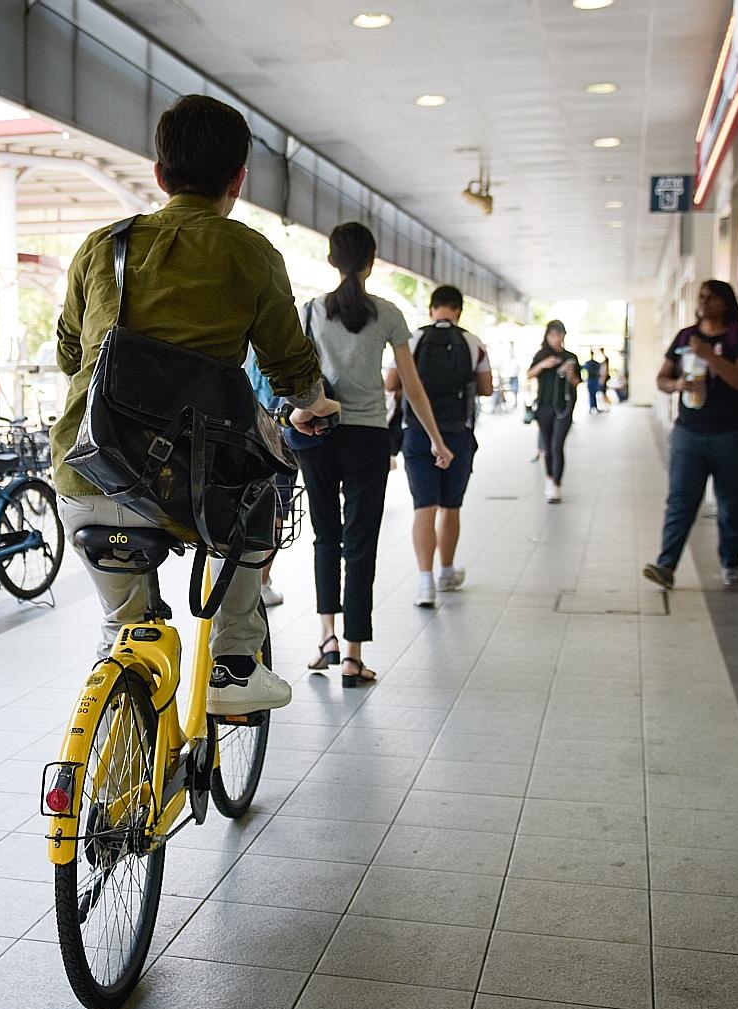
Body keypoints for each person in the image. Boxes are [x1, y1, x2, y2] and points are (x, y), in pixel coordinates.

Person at [51, 94, 340, 717]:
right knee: (260, 492)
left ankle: (116, 716)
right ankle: (235, 660)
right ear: (239, 179)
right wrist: (313, 404)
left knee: (124, 628)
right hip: (195, 482)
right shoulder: (250, 252)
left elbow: (71, 352)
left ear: (160, 174)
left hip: (88, 468)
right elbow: (288, 365)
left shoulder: (105, 247)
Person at [299, 223, 453, 685]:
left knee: (325, 536)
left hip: (317, 434)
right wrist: (437, 440)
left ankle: (325, 637)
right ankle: (352, 655)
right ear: (371, 262)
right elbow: (411, 385)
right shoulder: (387, 313)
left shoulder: (309, 311)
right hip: (367, 439)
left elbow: (294, 376)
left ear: (332, 261)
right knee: (359, 544)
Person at [642, 279, 738, 590]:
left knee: (731, 502)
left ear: (726, 303)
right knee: (680, 500)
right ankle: (666, 565)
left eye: (712, 297)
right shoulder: (686, 336)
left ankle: (730, 562)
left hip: (735, 434)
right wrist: (676, 385)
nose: (704, 302)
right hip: (689, 432)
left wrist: (709, 356)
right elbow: (662, 379)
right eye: (701, 297)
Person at [387, 285, 493, 608]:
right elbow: (487, 389)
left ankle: (424, 582)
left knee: (424, 506)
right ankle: (446, 572)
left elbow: (391, 383)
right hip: (457, 433)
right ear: (459, 311)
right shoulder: (473, 342)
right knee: (450, 506)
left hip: (417, 433)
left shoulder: (414, 339)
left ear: (432, 309)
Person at [242, 354, 294, 607]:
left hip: (239, 435)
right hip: (277, 435)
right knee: (276, 509)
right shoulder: (276, 338)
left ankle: (249, 581)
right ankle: (261, 581)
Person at [527, 319, 581, 503]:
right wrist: (543, 365)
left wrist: (570, 373)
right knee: (547, 446)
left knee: (557, 445)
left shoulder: (570, 357)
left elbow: (577, 382)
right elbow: (529, 375)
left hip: (564, 408)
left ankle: (556, 484)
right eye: (552, 335)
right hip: (543, 406)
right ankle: (549, 479)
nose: (556, 338)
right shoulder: (541, 355)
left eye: (559, 334)